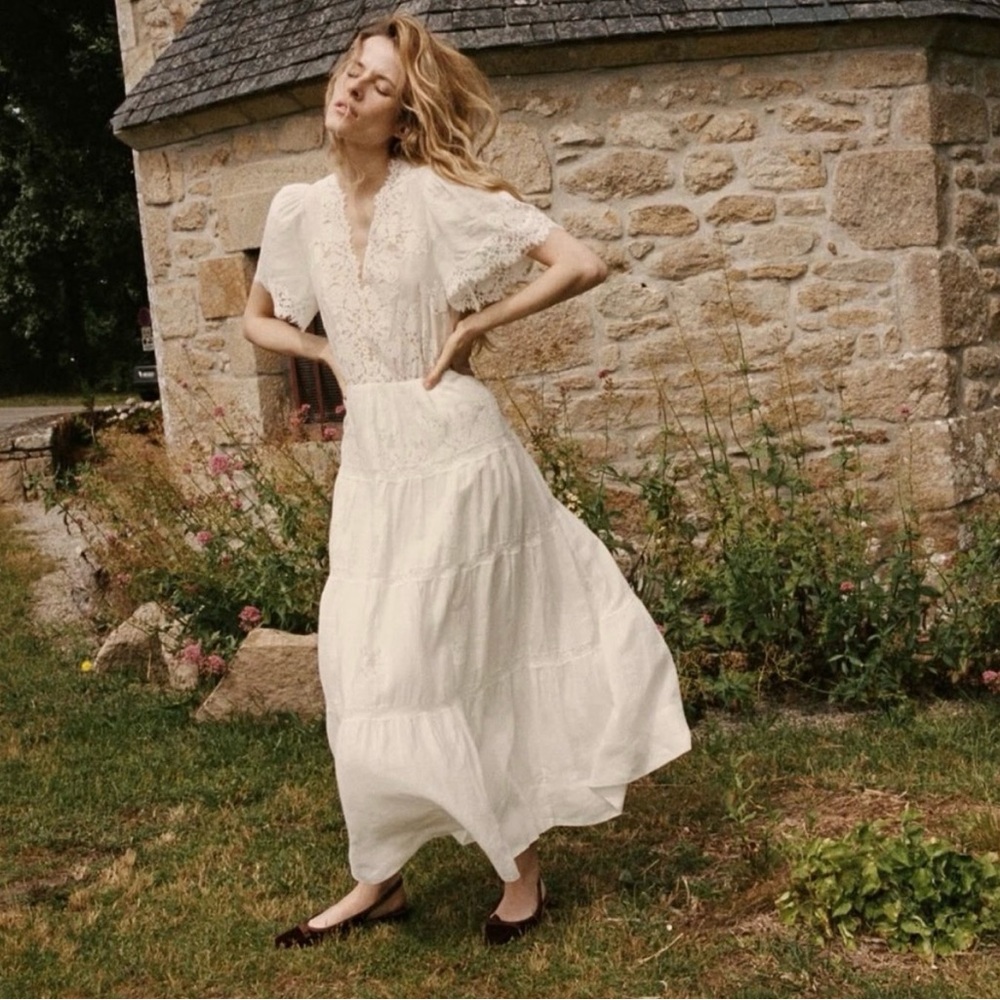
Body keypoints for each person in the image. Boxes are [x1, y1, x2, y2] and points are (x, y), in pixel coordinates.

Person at [243, 11, 691, 948]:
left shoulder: (435, 196)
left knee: (450, 661)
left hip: (456, 454)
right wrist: (323, 350)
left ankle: (519, 876)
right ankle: (378, 880)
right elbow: (258, 319)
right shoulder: (297, 210)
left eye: (378, 84)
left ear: (403, 115)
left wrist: (477, 325)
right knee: (363, 666)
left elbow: (580, 261)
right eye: (352, 70)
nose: (352, 89)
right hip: (374, 464)